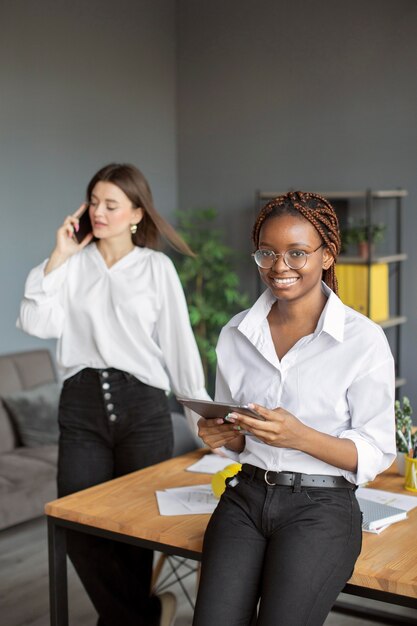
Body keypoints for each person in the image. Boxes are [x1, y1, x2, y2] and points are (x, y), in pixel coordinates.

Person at [17, 163, 209, 626]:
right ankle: (142, 615)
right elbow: (36, 322)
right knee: (76, 522)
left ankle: (127, 619)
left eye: (111, 204)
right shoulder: (69, 266)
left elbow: (179, 346)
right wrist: (58, 255)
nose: (99, 212)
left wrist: (202, 422)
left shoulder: (155, 268)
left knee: (134, 531)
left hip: (142, 406)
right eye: (94, 202)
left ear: (137, 213)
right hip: (81, 405)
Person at [193, 191, 396, 626]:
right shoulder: (235, 334)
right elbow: (238, 432)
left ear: (327, 256)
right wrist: (224, 435)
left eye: (297, 253)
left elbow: (376, 453)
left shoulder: (363, 341)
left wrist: (299, 436)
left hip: (321, 508)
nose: (279, 267)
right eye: (267, 252)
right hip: (245, 498)